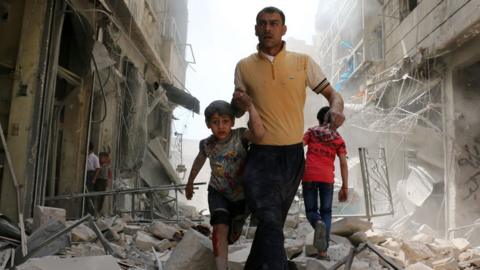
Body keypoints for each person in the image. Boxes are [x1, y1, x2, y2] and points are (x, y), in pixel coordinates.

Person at [231, 6, 345, 269]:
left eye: (274, 23)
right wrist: (238, 103)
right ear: (255, 29)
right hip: (260, 156)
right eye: (262, 23)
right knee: (269, 219)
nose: (268, 28)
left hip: (293, 157)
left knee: (272, 224)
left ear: (284, 29)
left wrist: (337, 109)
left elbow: (333, 95)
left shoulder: (303, 62)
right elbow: (237, 108)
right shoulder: (244, 66)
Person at [185, 100, 265, 270]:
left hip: (241, 196)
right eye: (215, 122)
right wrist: (190, 182)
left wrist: (250, 107)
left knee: (232, 236)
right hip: (217, 192)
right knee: (219, 228)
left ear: (232, 122)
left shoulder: (241, 136)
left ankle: (235, 229)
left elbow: (259, 135)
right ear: (208, 125)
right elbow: (199, 161)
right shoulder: (207, 144)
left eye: (225, 121)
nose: (220, 126)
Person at [303, 106, 348, 260]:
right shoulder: (338, 139)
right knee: (326, 212)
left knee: (311, 211)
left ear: (319, 119)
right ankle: (323, 252)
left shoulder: (311, 132)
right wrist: (345, 186)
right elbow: (343, 163)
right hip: (327, 179)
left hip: (309, 176)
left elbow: (296, 148)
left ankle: (318, 224)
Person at [93, 152, 112, 216]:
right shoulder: (100, 165)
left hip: (103, 181)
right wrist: (94, 179)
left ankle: (99, 211)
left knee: (102, 197)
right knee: (98, 197)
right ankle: (96, 211)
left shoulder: (107, 165)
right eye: (100, 157)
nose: (101, 158)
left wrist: (108, 180)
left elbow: (109, 174)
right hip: (99, 181)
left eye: (102, 157)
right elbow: (97, 172)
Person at [85, 142, 100, 215]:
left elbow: (97, 169)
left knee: (89, 194)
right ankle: (85, 210)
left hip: (90, 175)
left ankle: (89, 212)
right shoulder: (85, 155)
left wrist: (94, 179)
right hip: (85, 174)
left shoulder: (94, 157)